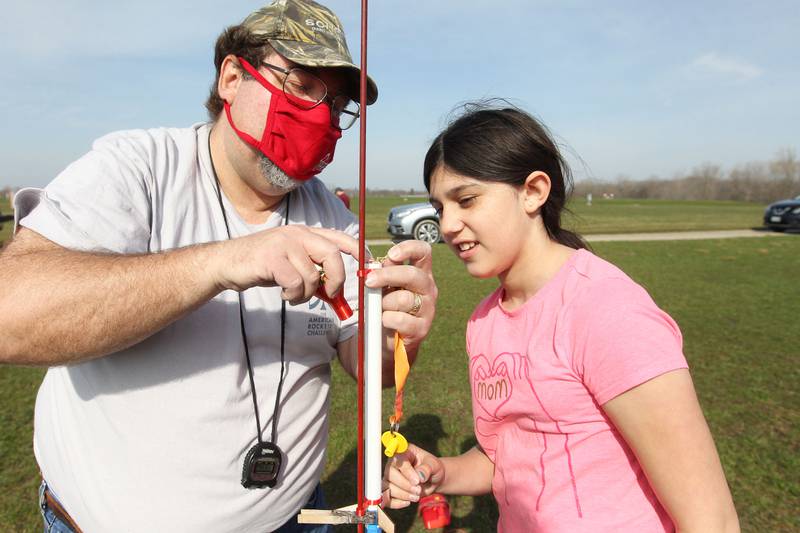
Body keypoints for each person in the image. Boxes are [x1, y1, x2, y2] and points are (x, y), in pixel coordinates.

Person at [0, 1, 437, 532]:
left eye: (339, 104)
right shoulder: (138, 169)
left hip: (293, 519)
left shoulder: (336, 222)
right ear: (232, 76)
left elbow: (365, 364)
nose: (323, 117)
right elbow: (10, 315)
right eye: (302, 86)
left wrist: (400, 337)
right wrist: (222, 262)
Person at [382, 104, 739, 532]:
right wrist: (439, 472)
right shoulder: (484, 321)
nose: (448, 225)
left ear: (533, 191)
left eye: (467, 199)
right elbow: (506, 460)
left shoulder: (606, 309)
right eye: (440, 208)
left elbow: (710, 518)